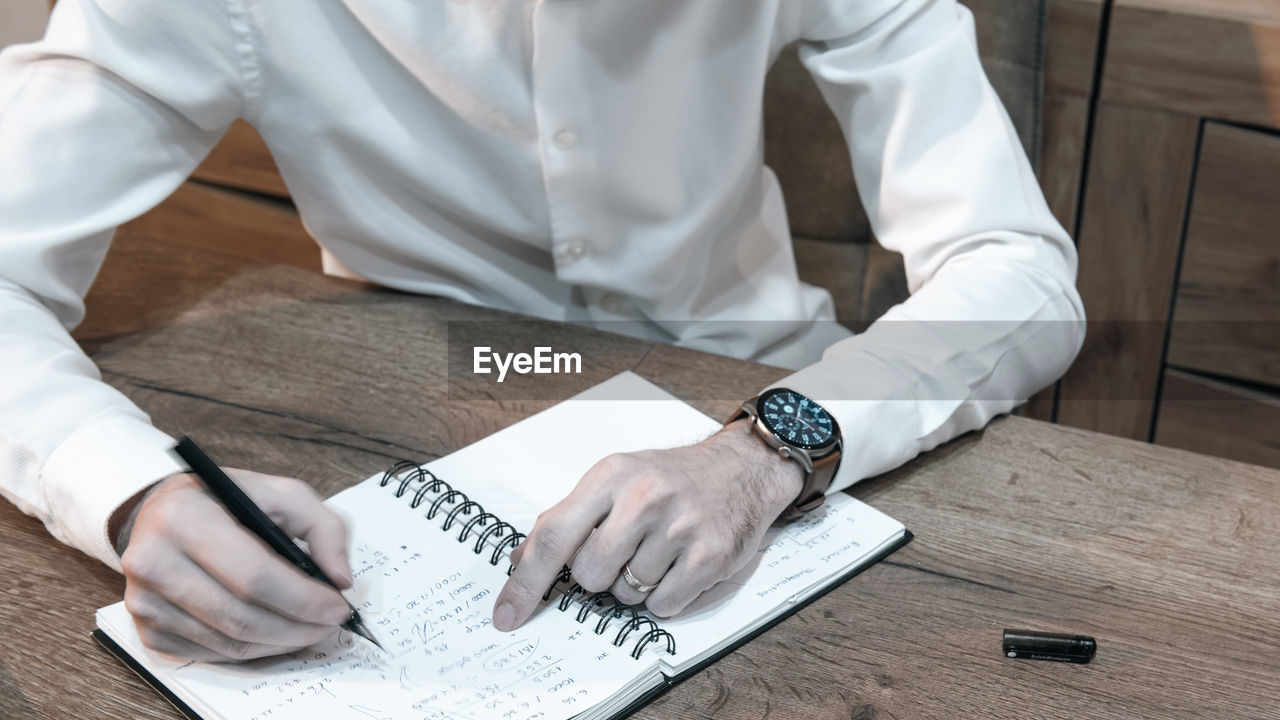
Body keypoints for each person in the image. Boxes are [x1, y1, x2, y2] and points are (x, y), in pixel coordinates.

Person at [0, 0, 1085, 662]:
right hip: (406, 438)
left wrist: (765, 455)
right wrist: (134, 490)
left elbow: (1016, 268)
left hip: (771, 425)